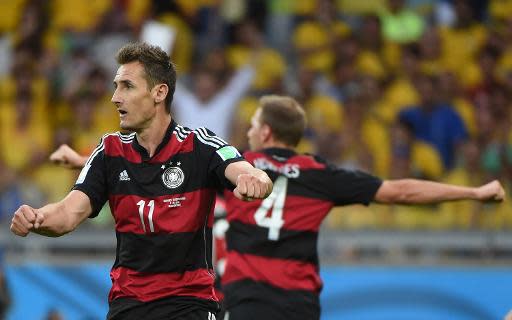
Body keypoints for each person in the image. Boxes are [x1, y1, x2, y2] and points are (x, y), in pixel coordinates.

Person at [48, 95, 506, 320]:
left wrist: (81, 161)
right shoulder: (318, 173)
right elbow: (399, 192)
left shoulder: (234, 170)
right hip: (298, 304)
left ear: (266, 132)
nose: (246, 133)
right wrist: (472, 193)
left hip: (243, 298)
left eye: (252, 126)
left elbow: (159, 174)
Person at [10, 42, 273, 320]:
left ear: (159, 92)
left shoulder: (200, 145)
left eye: (127, 86)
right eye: (116, 86)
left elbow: (247, 171)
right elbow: (66, 213)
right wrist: (37, 218)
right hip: (128, 305)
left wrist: (256, 180)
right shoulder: (109, 151)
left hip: (187, 305)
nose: (115, 97)